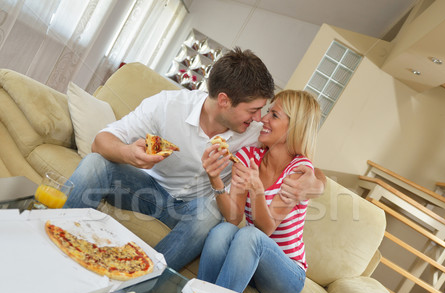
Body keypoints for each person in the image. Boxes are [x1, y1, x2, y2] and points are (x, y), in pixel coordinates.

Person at [64, 48, 325, 270]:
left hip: (190, 211)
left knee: (212, 213)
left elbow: (297, 153)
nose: (259, 119)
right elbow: (101, 142)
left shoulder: (255, 133)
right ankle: (57, 238)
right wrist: (129, 154)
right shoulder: (167, 106)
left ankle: (138, 282)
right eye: (253, 110)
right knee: (95, 164)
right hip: (145, 189)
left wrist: (316, 182)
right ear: (224, 100)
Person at [197, 90, 323, 293]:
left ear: (294, 127)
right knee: (223, 231)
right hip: (250, 259)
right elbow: (234, 217)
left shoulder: (300, 170)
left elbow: (266, 228)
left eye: (274, 115)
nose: (263, 119)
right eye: (268, 112)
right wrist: (215, 179)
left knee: (250, 235)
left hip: (286, 273)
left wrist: (256, 189)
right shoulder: (248, 156)